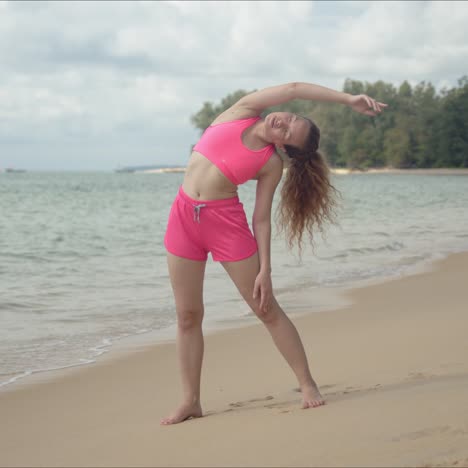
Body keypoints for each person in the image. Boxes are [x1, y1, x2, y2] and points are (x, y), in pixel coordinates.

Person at [161, 82, 387, 425]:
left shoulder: (269, 164)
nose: (283, 122)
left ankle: (307, 384)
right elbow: (295, 87)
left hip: (226, 226)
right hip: (182, 218)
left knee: (266, 308)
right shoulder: (241, 111)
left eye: (289, 132)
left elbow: (261, 219)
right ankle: (190, 401)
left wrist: (266, 270)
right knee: (187, 316)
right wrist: (346, 99)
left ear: (284, 146)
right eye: (290, 118)